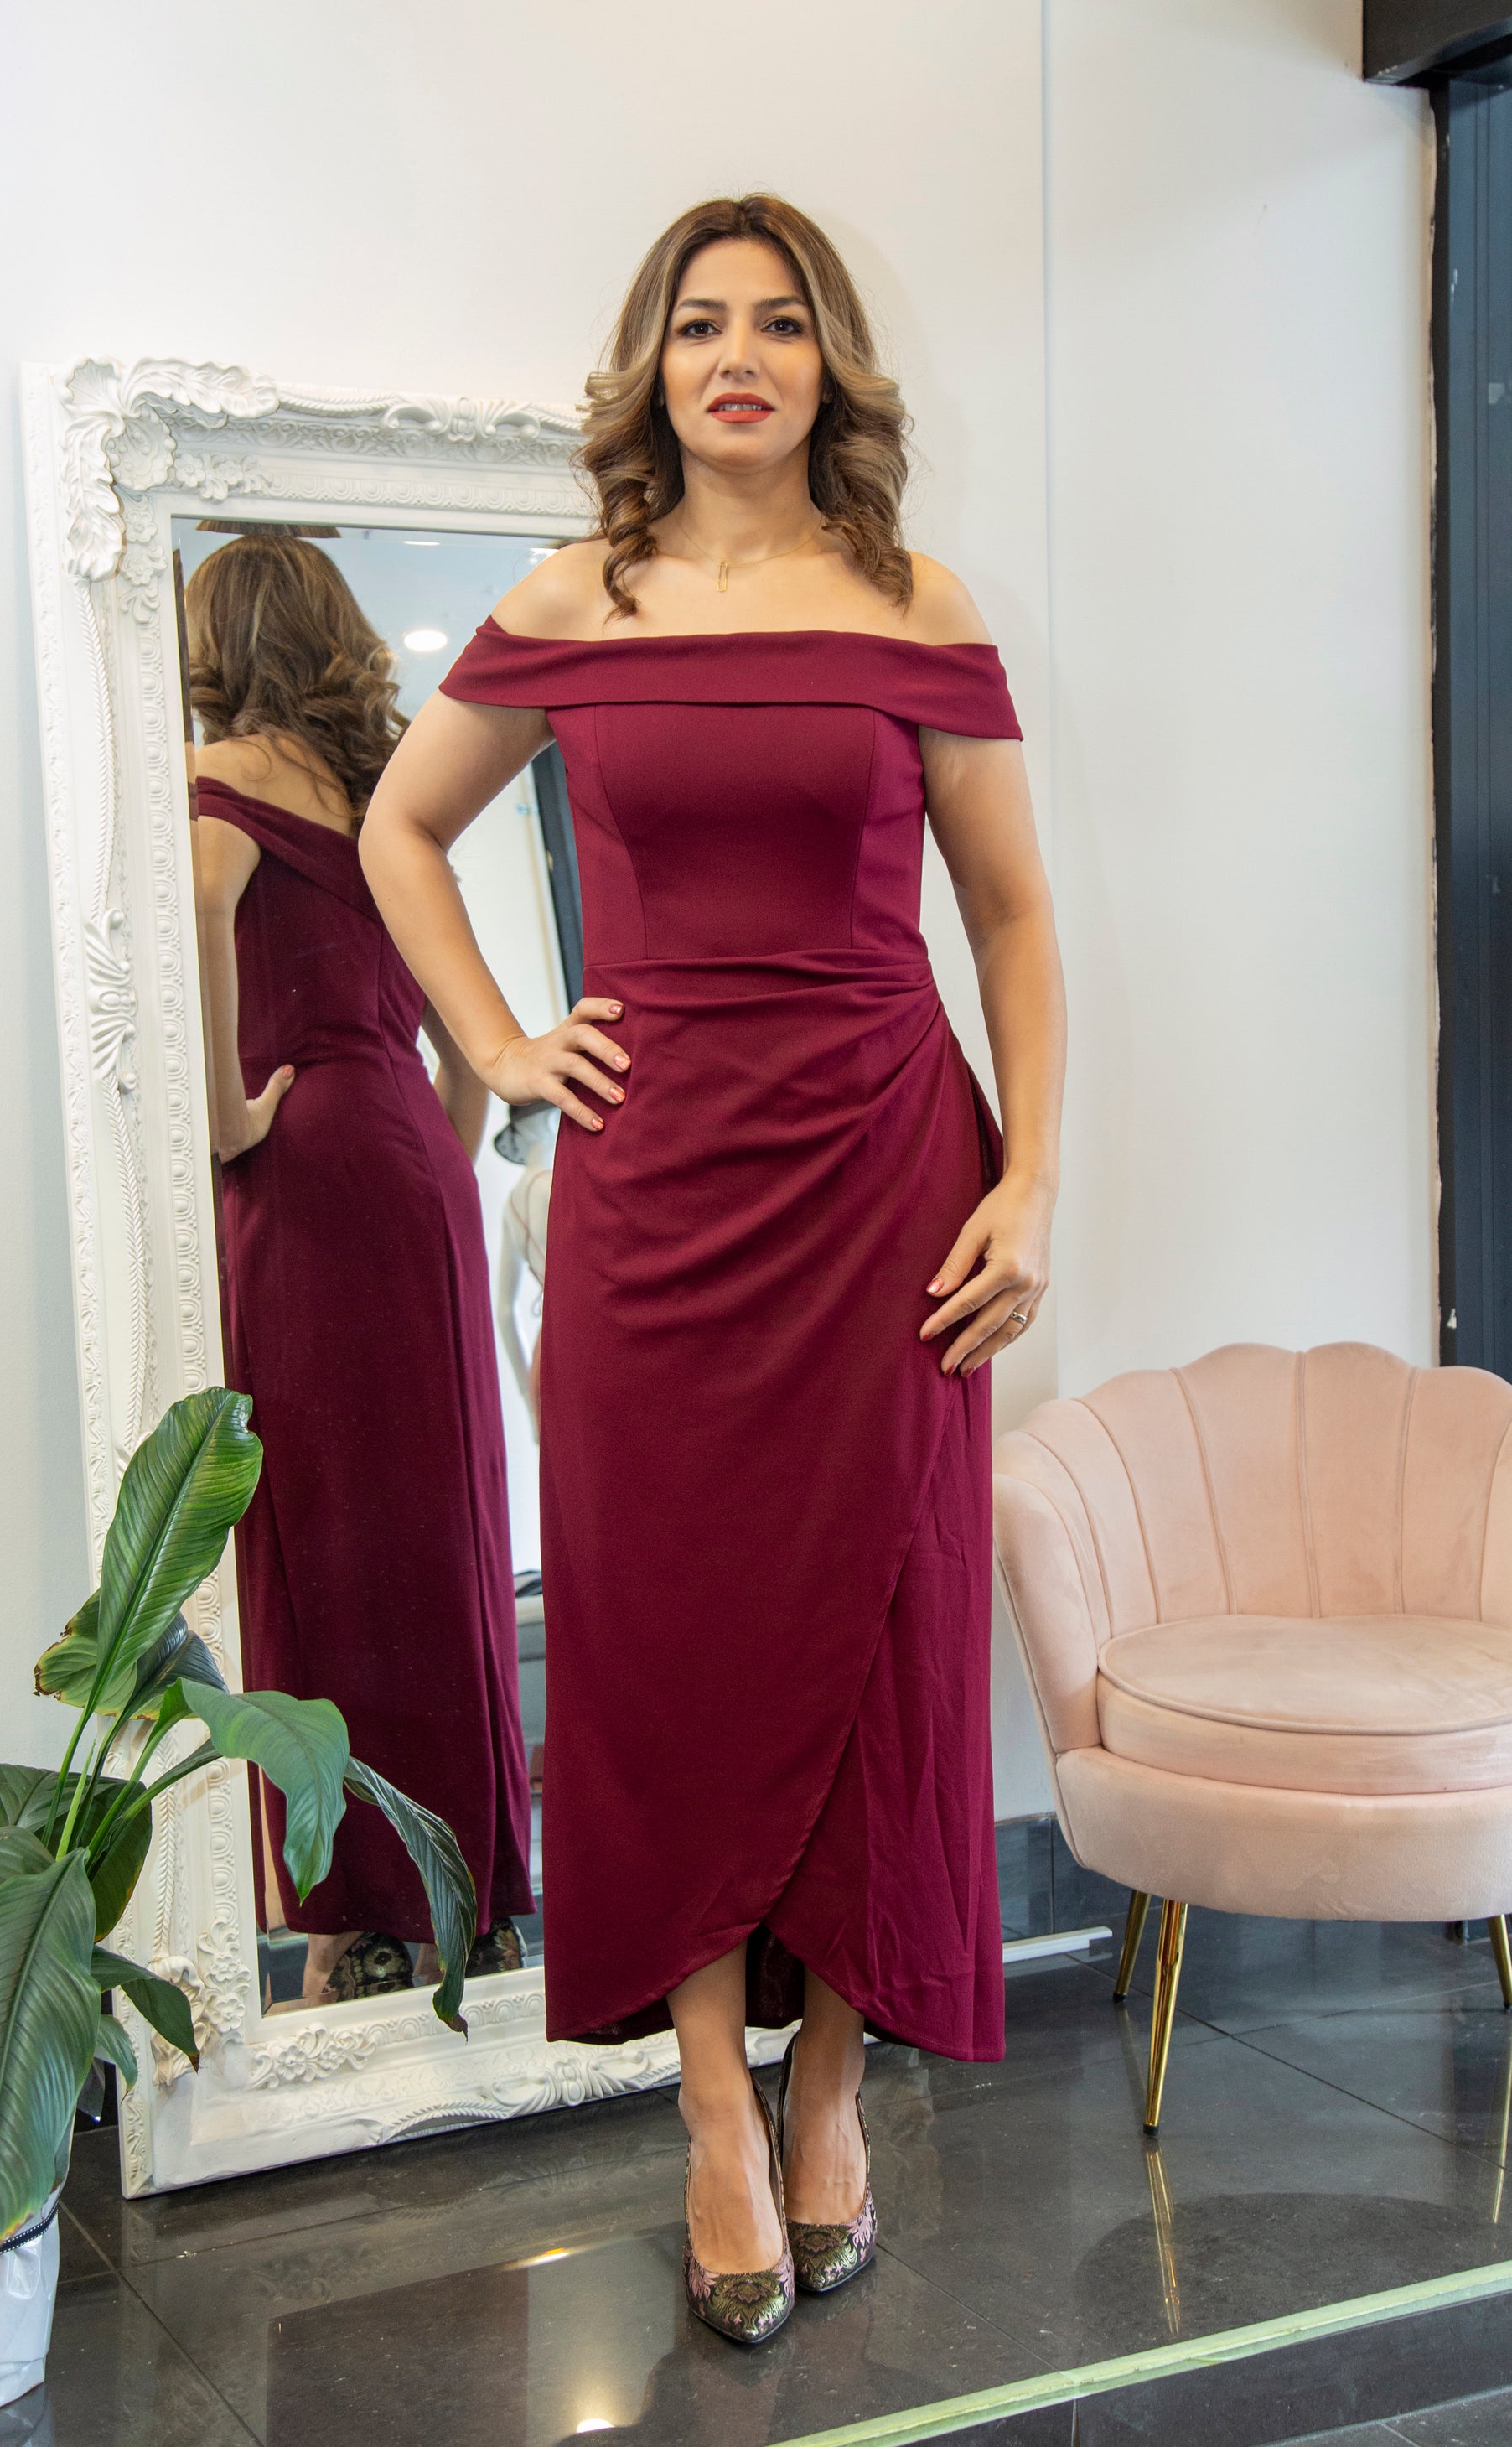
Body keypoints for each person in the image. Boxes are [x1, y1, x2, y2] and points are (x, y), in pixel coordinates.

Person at [360, 195, 1064, 2341]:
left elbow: (1011, 916)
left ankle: (833, 2078)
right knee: (662, 1639)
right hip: (656, 1189)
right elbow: (400, 827)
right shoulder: (573, 598)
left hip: (881, 1169)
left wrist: (1029, 1179)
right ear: (649, 366)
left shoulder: (912, 602)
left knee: (889, 1634)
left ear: (829, 362)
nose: (734, 354)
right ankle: (707, 2108)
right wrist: (495, 1042)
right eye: (696, 324)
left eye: (775, 322)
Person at [186, 531, 533, 2006]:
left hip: (309, 1166)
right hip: (406, 1160)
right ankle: (474, 1886)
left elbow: (205, 906)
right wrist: (441, 1160)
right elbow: (472, 1040)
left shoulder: (226, 788)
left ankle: (355, 1909)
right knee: (440, 1524)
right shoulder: (388, 794)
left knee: (322, 1540)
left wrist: (227, 1113)